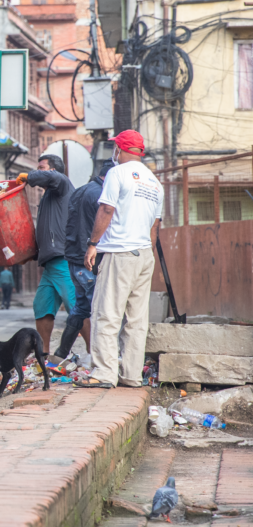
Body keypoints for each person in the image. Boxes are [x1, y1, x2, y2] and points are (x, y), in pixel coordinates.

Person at [75, 130, 163, 389]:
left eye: (115, 148)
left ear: (121, 150)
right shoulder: (154, 182)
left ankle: (104, 373)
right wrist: (148, 255)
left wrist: (92, 245)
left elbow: (106, 209)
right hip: (144, 255)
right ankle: (132, 375)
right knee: (136, 320)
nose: (114, 152)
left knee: (106, 313)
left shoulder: (117, 173)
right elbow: (154, 227)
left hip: (120, 253)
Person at [51, 160, 115, 364]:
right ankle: (101, 360)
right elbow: (101, 226)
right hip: (89, 260)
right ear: (110, 177)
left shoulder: (80, 191)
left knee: (80, 307)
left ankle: (60, 354)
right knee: (99, 308)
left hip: (73, 258)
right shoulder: (102, 195)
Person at [19, 154, 75, 354]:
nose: (37, 170)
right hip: (50, 264)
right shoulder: (47, 197)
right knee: (42, 308)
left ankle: (92, 357)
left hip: (63, 260)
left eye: (41, 167)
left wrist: (28, 176)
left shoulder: (62, 184)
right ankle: (43, 356)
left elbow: (53, 178)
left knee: (77, 310)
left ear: (52, 170)